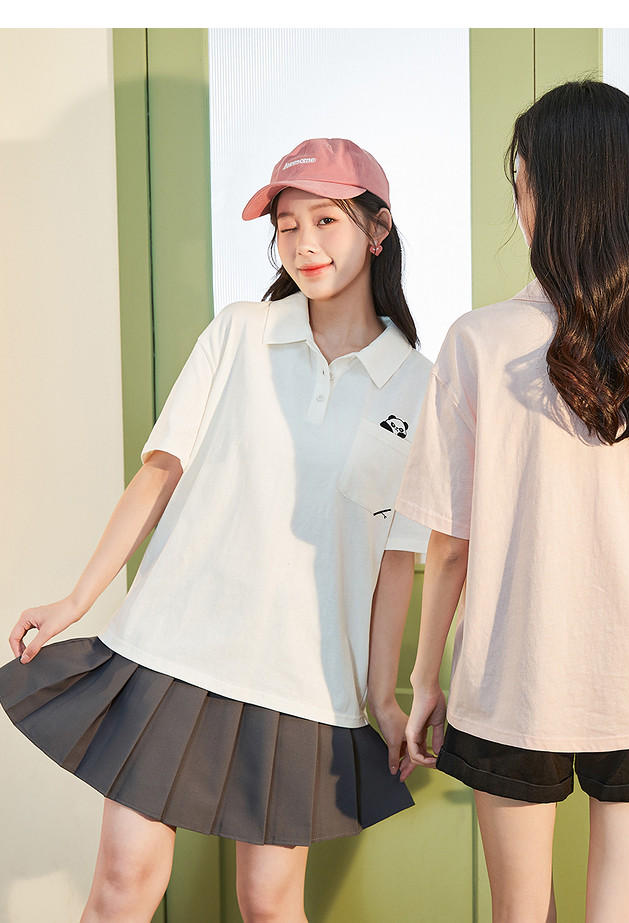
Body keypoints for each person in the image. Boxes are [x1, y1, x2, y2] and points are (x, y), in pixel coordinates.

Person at [0, 137, 432, 923]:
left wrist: (384, 698)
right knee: (123, 882)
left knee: (268, 903)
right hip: (174, 646)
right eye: (287, 225)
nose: (302, 243)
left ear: (377, 230)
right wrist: (75, 601)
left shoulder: (417, 384)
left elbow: (395, 560)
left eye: (326, 220)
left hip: (303, 678)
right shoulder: (239, 332)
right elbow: (159, 472)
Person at [397, 81, 629, 923]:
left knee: (519, 914)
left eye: (520, 178)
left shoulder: (477, 343)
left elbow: (450, 546)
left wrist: (423, 677)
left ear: (545, 195)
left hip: (509, 685)